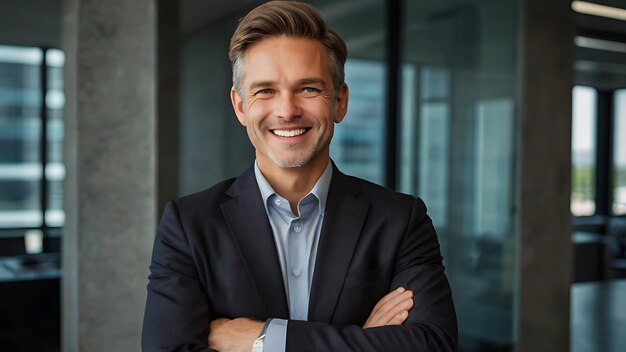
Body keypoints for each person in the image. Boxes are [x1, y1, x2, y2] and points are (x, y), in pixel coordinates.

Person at [141, 1, 457, 351]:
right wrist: (364, 340)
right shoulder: (188, 226)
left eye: (308, 88)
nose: (287, 110)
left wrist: (265, 340)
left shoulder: (401, 221)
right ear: (241, 106)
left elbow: (432, 344)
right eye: (265, 91)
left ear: (339, 101)